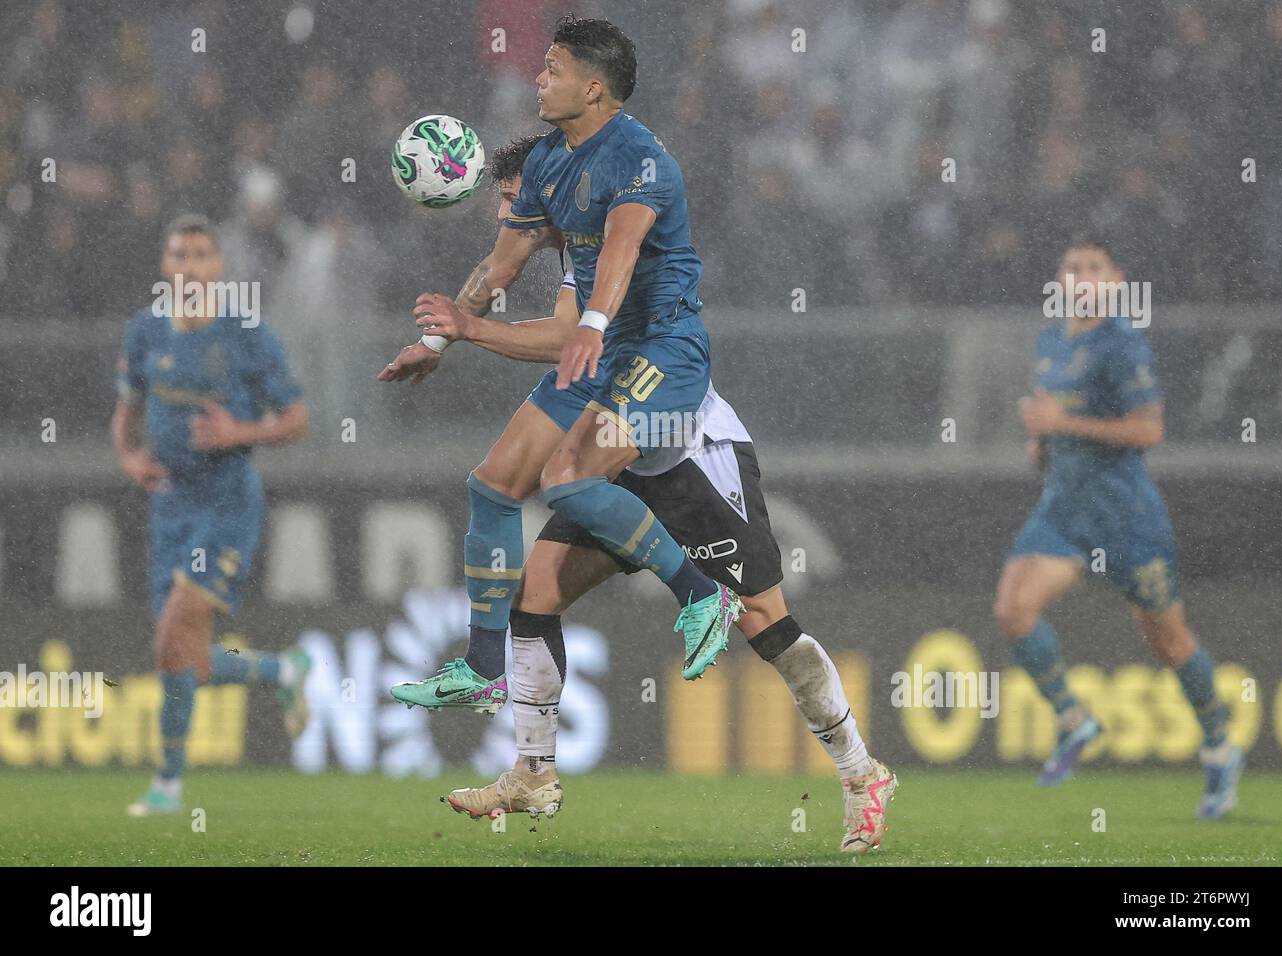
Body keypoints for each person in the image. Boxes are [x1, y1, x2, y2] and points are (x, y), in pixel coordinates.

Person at [390, 136, 896, 852]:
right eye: (504, 205)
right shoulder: (578, 250)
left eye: (514, 204)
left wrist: (468, 330)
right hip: (618, 457)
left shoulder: (608, 229)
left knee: (766, 624)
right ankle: (532, 772)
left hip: (687, 451)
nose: (508, 219)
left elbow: (569, 335)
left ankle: (860, 772)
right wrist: (450, 341)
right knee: (537, 585)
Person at [379, 16, 743, 718]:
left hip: (660, 350)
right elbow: (501, 264)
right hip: (599, 352)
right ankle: (485, 668)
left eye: (551, 69)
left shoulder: (642, 161)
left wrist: (592, 327)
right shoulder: (548, 159)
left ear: (594, 87)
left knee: (567, 481)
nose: (537, 79)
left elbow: (621, 252)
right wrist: (436, 342)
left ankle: (702, 594)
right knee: (492, 487)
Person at [997, 236, 1242, 818]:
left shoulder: (1123, 345)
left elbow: (1149, 431)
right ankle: (1074, 718)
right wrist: (1042, 439)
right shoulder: (1051, 340)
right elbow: (1055, 426)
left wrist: (1065, 422)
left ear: (1115, 280)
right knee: (1013, 608)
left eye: (1093, 268)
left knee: (1168, 639)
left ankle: (1220, 748)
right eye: (1072, 266)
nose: (1081, 276)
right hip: (1063, 510)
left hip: (1124, 517)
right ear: (1059, 280)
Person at [111, 214, 312, 816]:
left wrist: (238, 430)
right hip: (169, 506)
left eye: (201, 255)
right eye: (180, 255)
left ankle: (168, 787)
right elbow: (125, 409)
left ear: (218, 267)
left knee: (175, 628)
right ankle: (280, 670)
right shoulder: (145, 333)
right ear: (165, 267)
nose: (190, 266)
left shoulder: (246, 332)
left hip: (226, 505)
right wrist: (128, 456)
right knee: (183, 659)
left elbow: (298, 419)